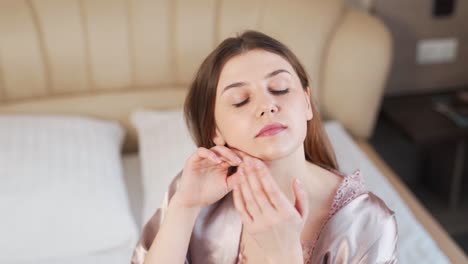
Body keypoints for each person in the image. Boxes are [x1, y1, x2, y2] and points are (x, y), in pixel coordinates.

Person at [131, 30, 398, 264]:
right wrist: (185, 206)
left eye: (281, 88)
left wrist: (284, 255)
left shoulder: (367, 224)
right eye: (240, 100)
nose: (267, 106)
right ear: (215, 129)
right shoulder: (193, 192)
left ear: (307, 103)